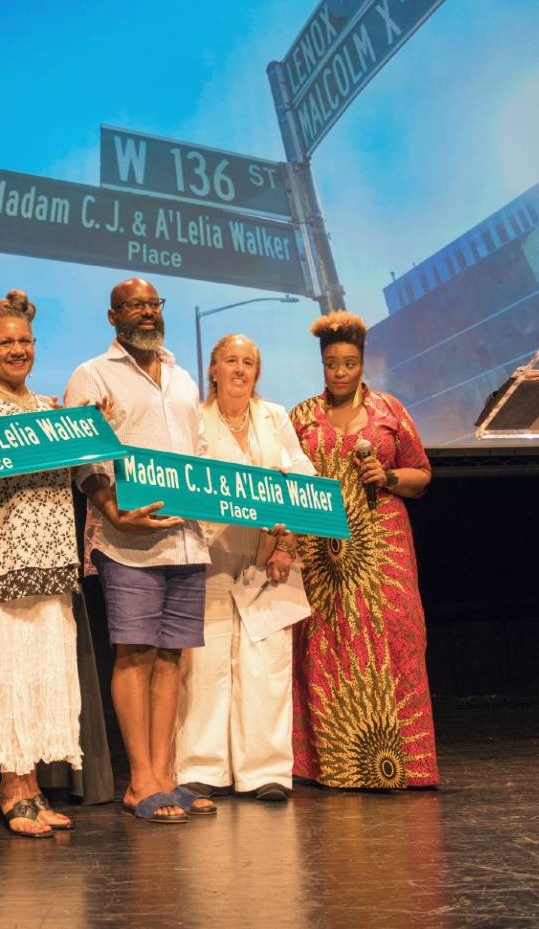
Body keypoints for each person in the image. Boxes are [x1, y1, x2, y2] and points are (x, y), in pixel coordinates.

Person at [63, 278, 211, 823]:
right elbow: (82, 456)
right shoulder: (92, 374)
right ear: (113, 316)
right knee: (136, 654)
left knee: (171, 658)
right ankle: (140, 781)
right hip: (127, 543)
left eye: (153, 305)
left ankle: (166, 776)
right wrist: (110, 510)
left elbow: (198, 450)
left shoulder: (181, 375)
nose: (146, 314)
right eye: (134, 306)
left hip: (186, 539)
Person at [0, 290, 81, 838]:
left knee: (37, 671)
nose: (18, 350)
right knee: (3, 671)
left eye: (25, 341)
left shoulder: (52, 409)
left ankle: (33, 787)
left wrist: (92, 429)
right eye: (7, 342)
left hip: (49, 560)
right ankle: (10, 789)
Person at [288, 311, 439, 788]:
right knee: (326, 648)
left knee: (395, 642)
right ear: (322, 365)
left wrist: (389, 477)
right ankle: (332, 767)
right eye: (332, 364)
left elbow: (422, 476)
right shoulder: (300, 417)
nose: (339, 372)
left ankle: (405, 766)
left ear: (362, 363)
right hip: (321, 555)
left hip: (384, 549)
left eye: (349, 363)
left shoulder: (389, 412)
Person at [175, 334, 314, 803]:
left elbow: (303, 479)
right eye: (230, 361)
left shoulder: (274, 418)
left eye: (248, 362)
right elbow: (185, 480)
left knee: (267, 662)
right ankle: (202, 766)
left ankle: (266, 771)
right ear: (212, 369)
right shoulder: (194, 417)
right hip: (209, 552)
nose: (240, 369)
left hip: (268, 554)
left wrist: (286, 542)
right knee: (207, 661)